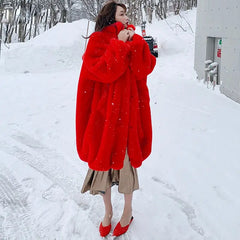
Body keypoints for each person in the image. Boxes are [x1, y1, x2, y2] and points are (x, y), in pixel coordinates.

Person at [75, 0, 156, 237]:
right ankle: (108, 212)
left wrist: (137, 43)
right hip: (104, 117)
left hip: (129, 117)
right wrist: (119, 45)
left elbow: (145, 69)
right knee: (102, 171)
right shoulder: (98, 41)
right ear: (111, 17)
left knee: (127, 168)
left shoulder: (133, 39)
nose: (126, 17)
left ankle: (127, 211)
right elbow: (105, 72)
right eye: (122, 14)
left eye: (127, 14)